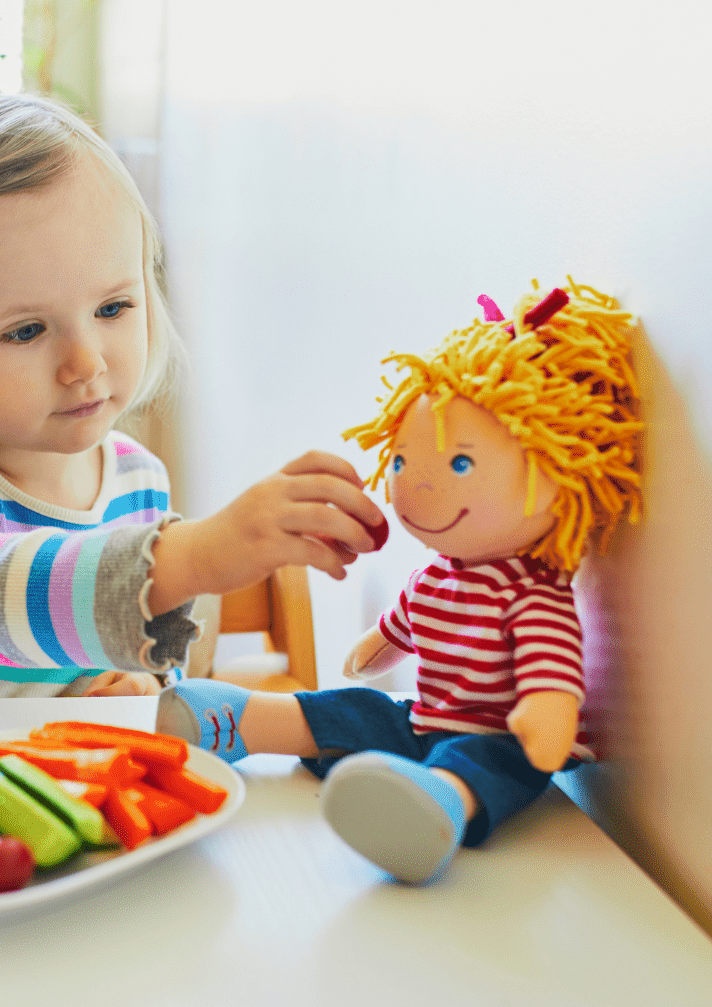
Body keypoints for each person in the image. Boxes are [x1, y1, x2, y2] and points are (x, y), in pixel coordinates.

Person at [0, 91, 385, 699]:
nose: (85, 363)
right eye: (26, 331)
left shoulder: (137, 480)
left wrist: (139, 680)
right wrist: (188, 557)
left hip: (39, 778)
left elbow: (136, 638)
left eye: (112, 308)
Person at [159, 280, 643, 883]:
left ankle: (434, 806)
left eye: (460, 463)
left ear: (555, 474)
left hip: (497, 737)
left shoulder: (533, 596)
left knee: (479, 762)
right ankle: (238, 720)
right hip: (421, 716)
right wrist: (376, 647)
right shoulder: (436, 575)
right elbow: (406, 624)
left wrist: (547, 715)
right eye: (404, 462)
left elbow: (550, 677)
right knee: (359, 707)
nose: (414, 486)